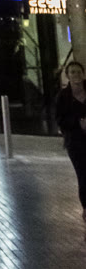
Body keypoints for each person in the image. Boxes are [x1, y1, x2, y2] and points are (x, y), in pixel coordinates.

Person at [54, 58, 86, 218]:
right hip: (75, 142)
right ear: (67, 75)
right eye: (72, 72)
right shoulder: (63, 96)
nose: (76, 75)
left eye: (79, 72)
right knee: (83, 174)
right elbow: (60, 120)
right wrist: (78, 123)